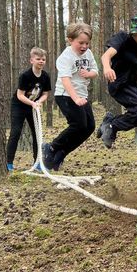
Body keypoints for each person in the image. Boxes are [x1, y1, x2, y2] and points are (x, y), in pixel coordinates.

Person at [42, 22, 98, 170]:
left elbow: (95, 71)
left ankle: (61, 154)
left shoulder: (88, 53)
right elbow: (65, 80)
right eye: (81, 43)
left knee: (89, 127)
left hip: (81, 95)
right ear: (70, 40)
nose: (84, 46)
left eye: (87, 43)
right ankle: (51, 147)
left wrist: (89, 74)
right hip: (65, 95)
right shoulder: (65, 57)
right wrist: (76, 98)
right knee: (78, 125)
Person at [97, 15, 137, 148]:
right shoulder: (122, 38)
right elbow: (106, 56)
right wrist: (107, 68)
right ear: (134, 32)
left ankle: (110, 123)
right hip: (118, 83)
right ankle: (111, 126)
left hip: (132, 85)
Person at [6, 47, 51, 171]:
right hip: (19, 105)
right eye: (38, 59)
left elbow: (45, 94)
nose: (41, 61)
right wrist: (32, 103)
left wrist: (38, 102)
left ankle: (38, 163)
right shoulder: (25, 76)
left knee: (37, 134)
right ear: (31, 60)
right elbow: (20, 95)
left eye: (43, 59)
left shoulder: (46, 77)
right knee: (15, 132)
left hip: (33, 107)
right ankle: (8, 163)